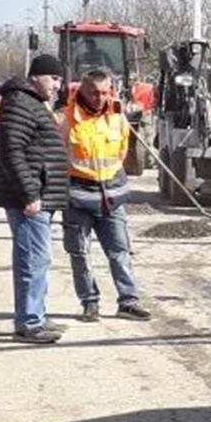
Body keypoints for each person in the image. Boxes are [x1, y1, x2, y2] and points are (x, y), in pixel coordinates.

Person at [60, 68, 152, 323]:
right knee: (79, 252)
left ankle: (128, 301)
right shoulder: (67, 119)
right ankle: (89, 302)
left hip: (112, 197)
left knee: (120, 251)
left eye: (104, 92)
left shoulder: (117, 117)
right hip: (78, 197)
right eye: (94, 92)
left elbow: (121, 153)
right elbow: (57, 156)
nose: (99, 98)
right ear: (82, 91)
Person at [0, 54, 69, 344]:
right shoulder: (19, 103)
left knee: (38, 259)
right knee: (32, 260)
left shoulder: (30, 103)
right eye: (53, 78)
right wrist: (29, 194)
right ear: (36, 76)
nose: (57, 85)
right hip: (29, 199)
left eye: (59, 79)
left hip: (40, 196)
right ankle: (29, 323)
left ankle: (36, 315)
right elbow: (13, 152)